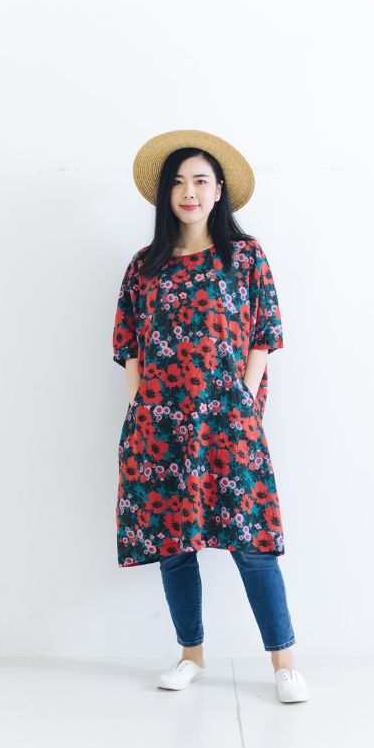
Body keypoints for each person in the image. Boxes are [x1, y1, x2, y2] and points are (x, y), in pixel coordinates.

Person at [112, 129, 309, 703]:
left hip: (229, 420)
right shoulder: (144, 265)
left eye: (200, 181)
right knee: (175, 545)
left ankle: (284, 663)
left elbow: (264, 334)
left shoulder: (244, 256)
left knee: (253, 542)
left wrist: (244, 397)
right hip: (160, 425)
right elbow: (129, 343)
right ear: (165, 194)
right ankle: (190, 654)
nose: (189, 192)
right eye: (178, 182)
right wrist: (140, 406)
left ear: (219, 190)